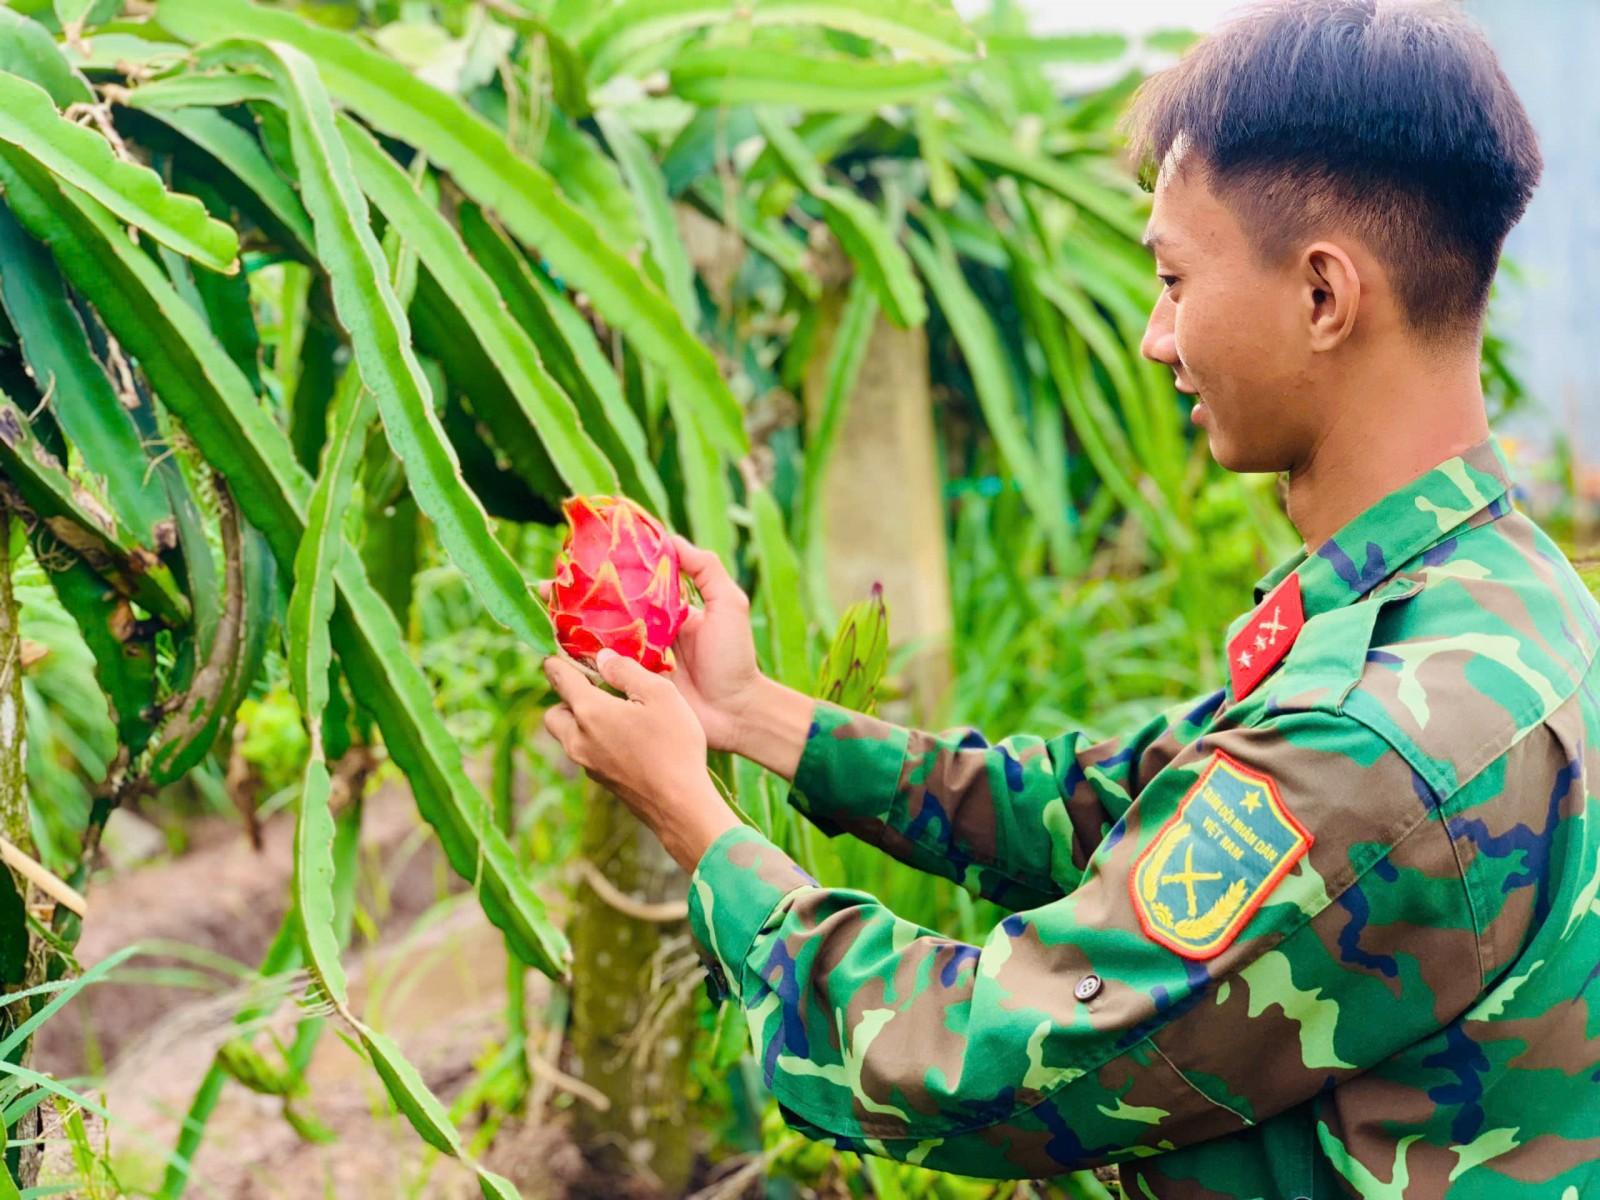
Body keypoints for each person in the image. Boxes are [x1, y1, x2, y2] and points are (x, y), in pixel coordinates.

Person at [540, 1, 1600, 1194]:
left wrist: (696, 822)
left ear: (1321, 297)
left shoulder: (1372, 746)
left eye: (1172, 278)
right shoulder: (1502, 597)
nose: (1155, 335)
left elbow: (983, 1065)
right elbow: (1123, 804)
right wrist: (751, 714)